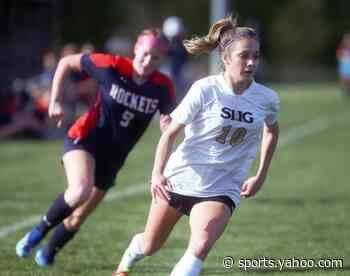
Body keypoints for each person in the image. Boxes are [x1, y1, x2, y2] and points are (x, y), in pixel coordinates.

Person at [112, 14, 280, 276]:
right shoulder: (205, 89)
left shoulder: (267, 98)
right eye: (244, 55)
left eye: (256, 56)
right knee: (150, 245)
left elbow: (271, 129)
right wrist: (157, 173)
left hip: (222, 187)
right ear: (225, 58)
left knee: (200, 246)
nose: (251, 62)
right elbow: (169, 134)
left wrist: (261, 174)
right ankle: (125, 264)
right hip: (180, 178)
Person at [15, 28, 176, 267]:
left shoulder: (163, 86)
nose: (148, 61)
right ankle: (36, 233)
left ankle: (48, 253)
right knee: (80, 190)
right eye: (145, 53)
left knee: (80, 215)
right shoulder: (111, 66)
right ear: (135, 49)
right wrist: (55, 100)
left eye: (155, 57)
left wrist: (167, 123)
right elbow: (67, 62)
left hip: (115, 157)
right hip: (84, 139)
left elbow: (169, 121)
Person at [336, 33, 350, 97]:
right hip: (343, 66)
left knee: (348, 80)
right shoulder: (342, 49)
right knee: (344, 80)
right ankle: (345, 92)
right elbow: (338, 56)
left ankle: (348, 91)